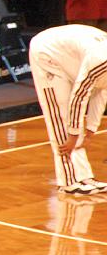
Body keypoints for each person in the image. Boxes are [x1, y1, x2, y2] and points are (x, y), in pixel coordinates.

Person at [28, 24, 107, 195]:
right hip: (47, 53)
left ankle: (84, 177)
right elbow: (79, 96)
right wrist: (74, 134)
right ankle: (68, 182)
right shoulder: (101, 61)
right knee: (59, 114)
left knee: (72, 123)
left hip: (69, 57)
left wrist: (91, 129)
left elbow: (102, 91)